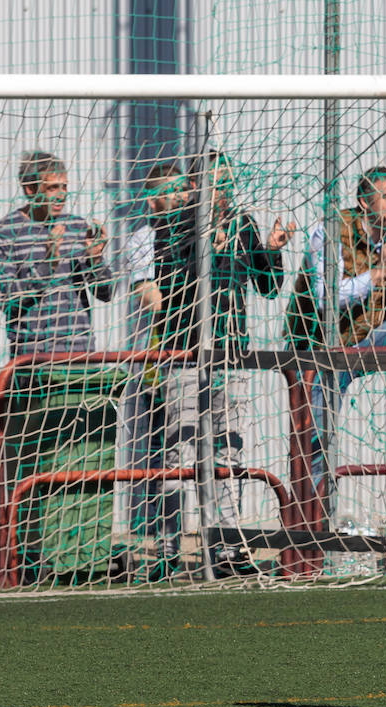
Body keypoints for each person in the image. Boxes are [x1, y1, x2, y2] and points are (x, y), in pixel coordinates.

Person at [121, 156, 292, 580]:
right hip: (183, 351)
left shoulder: (243, 225)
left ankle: (228, 547)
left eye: (226, 183)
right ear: (195, 186)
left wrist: (271, 251)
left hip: (230, 352)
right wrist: (204, 240)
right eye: (212, 183)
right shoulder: (172, 228)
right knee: (180, 450)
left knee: (227, 451)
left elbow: (268, 287)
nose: (221, 191)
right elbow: (167, 285)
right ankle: (167, 549)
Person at [0, 150, 118, 584]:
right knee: (34, 467)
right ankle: (34, 559)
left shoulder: (80, 227)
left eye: (65, 186)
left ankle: (83, 558)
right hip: (32, 365)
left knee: (83, 463)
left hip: (81, 362)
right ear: (30, 189)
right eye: (53, 188)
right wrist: (48, 258)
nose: (62, 195)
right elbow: (10, 300)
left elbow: (106, 292)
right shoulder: (2, 234)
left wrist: (95, 257)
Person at [284, 166, 386, 493]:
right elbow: (325, 299)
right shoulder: (332, 230)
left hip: (365, 338)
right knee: (316, 439)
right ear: (364, 201)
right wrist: (383, 269)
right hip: (319, 346)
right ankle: (314, 520)